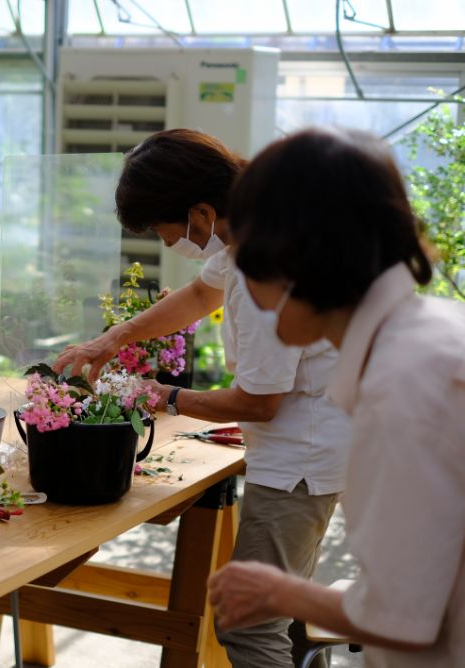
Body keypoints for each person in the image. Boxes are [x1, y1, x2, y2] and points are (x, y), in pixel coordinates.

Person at [53, 129, 350, 667]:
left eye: (166, 231)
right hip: (304, 446)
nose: (168, 245)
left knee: (249, 625)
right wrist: (113, 337)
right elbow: (198, 295)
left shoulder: (268, 268)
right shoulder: (259, 231)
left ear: (202, 212)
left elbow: (260, 403)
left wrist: (159, 395)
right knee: (283, 611)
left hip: (299, 462)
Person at [208, 127, 464, 667]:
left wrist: (280, 593)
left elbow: (405, 618)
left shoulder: (402, 385)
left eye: (242, 250)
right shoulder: (430, 340)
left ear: (292, 258)